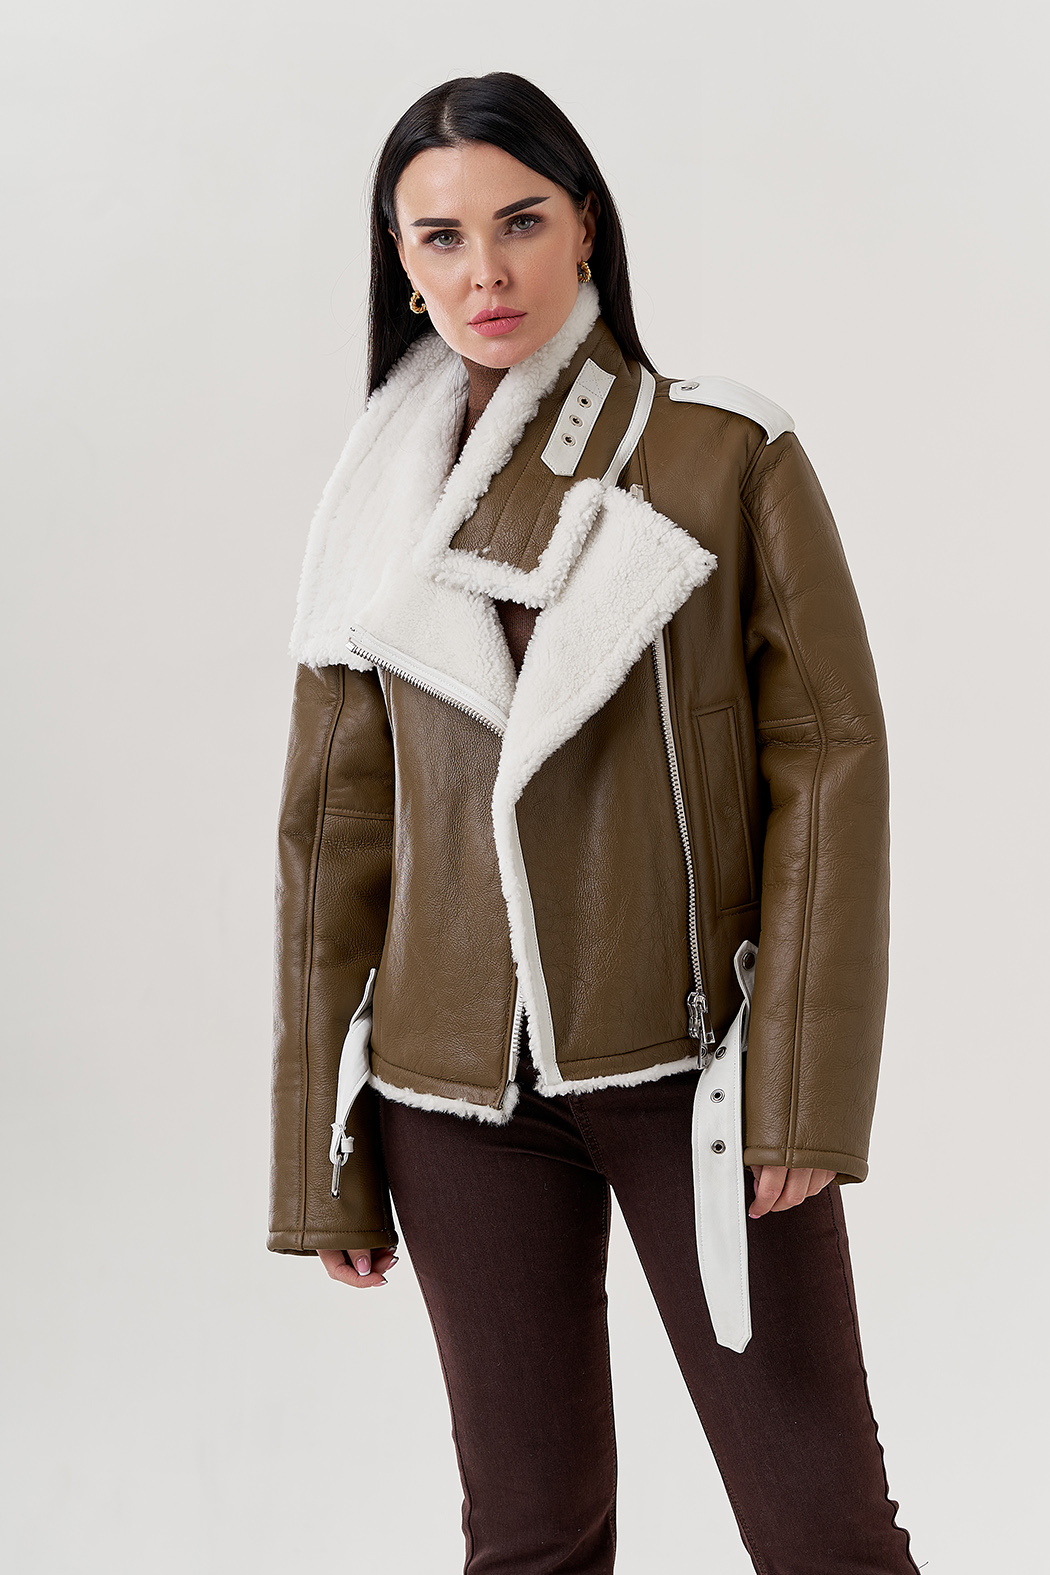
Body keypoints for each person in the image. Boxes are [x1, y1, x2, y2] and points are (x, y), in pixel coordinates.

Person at [269, 71, 918, 1575]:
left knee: (821, 1529)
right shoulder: (369, 506)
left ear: (586, 230)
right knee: (526, 1541)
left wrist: (802, 1082)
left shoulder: (723, 452)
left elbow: (830, 759)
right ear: (400, 264)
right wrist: (321, 1149)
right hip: (449, 1092)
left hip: (697, 1069)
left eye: (520, 222)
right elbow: (330, 838)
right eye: (438, 239)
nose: (483, 273)